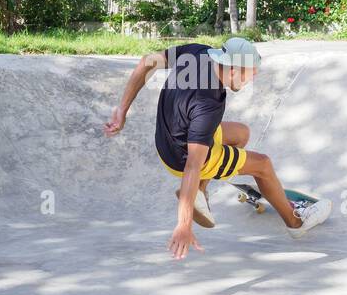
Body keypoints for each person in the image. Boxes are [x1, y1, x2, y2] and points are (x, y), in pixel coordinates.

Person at [103, 37, 332, 259]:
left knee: (241, 133)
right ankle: (296, 223)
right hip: (181, 158)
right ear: (232, 70)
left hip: (166, 137)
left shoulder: (197, 53)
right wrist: (184, 224)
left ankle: (200, 191)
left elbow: (146, 62)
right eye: (248, 77)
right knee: (263, 164)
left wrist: (122, 111)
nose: (249, 82)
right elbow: (193, 165)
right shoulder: (208, 104)